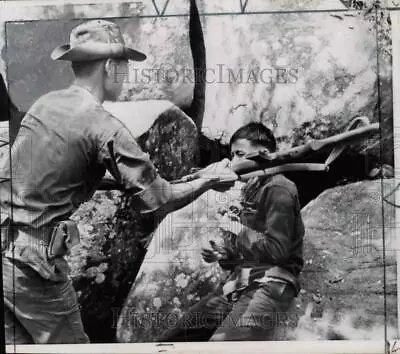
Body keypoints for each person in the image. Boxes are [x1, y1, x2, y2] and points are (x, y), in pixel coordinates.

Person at [1, 20, 237, 345]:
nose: (125, 75)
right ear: (111, 66)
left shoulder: (45, 105)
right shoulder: (104, 127)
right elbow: (161, 199)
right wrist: (209, 180)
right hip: (33, 266)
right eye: (124, 66)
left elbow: (33, 172)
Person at [160, 122, 305, 342]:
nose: (233, 162)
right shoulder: (251, 188)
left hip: (271, 284)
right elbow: (244, 254)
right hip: (239, 282)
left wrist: (236, 227)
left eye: (240, 154)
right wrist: (223, 255)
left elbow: (277, 251)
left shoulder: (279, 189)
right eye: (232, 155)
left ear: (264, 154)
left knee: (222, 347)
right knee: (173, 340)